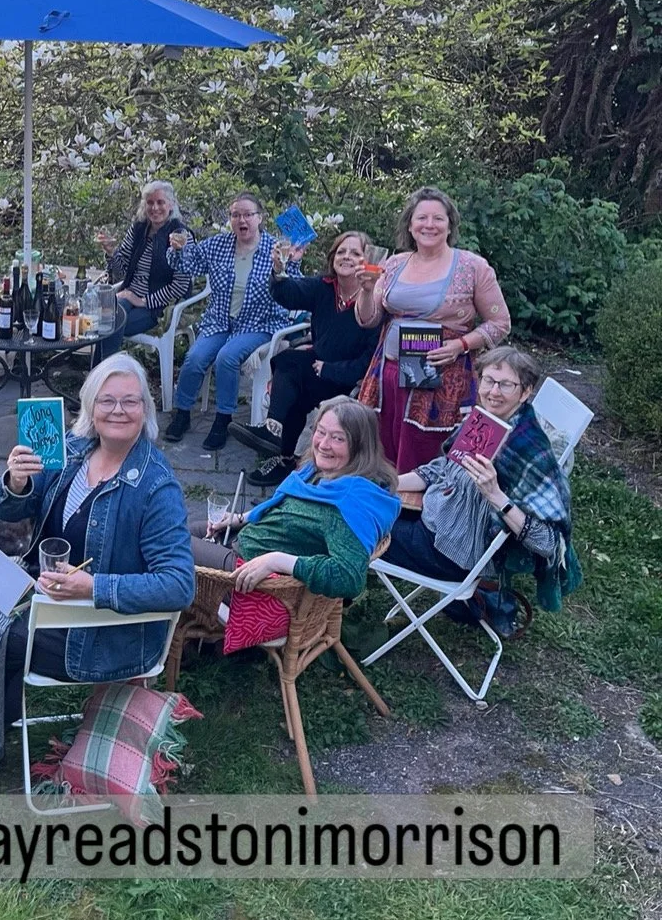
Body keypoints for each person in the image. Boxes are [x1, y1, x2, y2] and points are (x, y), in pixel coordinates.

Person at [0, 354, 194, 779]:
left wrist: (92, 586)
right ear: (90, 406)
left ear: (146, 411)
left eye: (130, 402)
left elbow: (178, 585)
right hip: (45, 588)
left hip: (96, 626)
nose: (117, 410)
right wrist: (17, 482)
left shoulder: (155, 486)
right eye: (107, 400)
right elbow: (14, 508)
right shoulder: (75, 449)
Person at [381, 346, 579, 628]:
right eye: (488, 380)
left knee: (353, 524)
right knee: (363, 502)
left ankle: (329, 617)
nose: (493, 392)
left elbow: (548, 543)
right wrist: (390, 483)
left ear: (525, 392)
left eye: (506, 385)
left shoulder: (528, 451)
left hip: (448, 554)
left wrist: (495, 494)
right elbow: (444, 467)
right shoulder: (485, 421)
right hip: (431, 520)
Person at [355, 186, 511, 473]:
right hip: (387, 375)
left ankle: (425, 512)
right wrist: (365, 292)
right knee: (382, 450)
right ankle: (385, 507)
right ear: (410, 225)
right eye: (421, 218)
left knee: (423, 453)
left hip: (441, 378)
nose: (429, 225)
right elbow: (369, 320)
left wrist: (461, 345)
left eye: (438, 218)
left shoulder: (472, 267)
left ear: (450, 224)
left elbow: (501, 323)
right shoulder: (394, 264)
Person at [191, 396, 400, 600]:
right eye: (321, 432)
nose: (323, 444)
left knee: (166, 541)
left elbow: (348, 578)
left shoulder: (349, 503)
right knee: (174, 531)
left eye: (338, 438)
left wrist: (277, 561)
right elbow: (284, 506)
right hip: (241, 540)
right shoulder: (319, 473)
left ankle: (178, 622)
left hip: (247, 576)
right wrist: (239, 518)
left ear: (360, 447)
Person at [231, 231, 382, 489]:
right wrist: (280, 270)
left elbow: (368, 361)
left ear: (366, 261)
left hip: (350, 379)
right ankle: (277, 439)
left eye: (355, 253)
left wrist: (330, 369)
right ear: (333, 256)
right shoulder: (325, 287)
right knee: (289, 367)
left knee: (295, 375)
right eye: (342, 251)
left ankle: (282, 447)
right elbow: (289, 294)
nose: (347, 257)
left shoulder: (374, 300)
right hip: (318, 367)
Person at [162, 193, 291, 450]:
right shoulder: (219, 244)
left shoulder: (275, 248)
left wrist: (281, 268)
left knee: (227, 358)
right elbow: (189, 263)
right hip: (220, 320)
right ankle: (183, 413)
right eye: (235, 215)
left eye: (247, 214)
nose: (241, 219)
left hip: (259, 323)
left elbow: (292, 285)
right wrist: (177, 249)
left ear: (259, 218)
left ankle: (224, 418)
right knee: (195, 358)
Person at [94, 180, 193, 357]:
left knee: (109, 323)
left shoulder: (180, 235)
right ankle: (101, 377)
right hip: (128, 298)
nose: (155, 208)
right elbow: (121, 271)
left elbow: (180, 286)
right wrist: (110, 253)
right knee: (106, 317)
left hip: (159, 306)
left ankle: (101, 378)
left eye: (160, 202)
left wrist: (143, 301)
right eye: (150, 202)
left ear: (171, 204)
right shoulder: (139, 229)